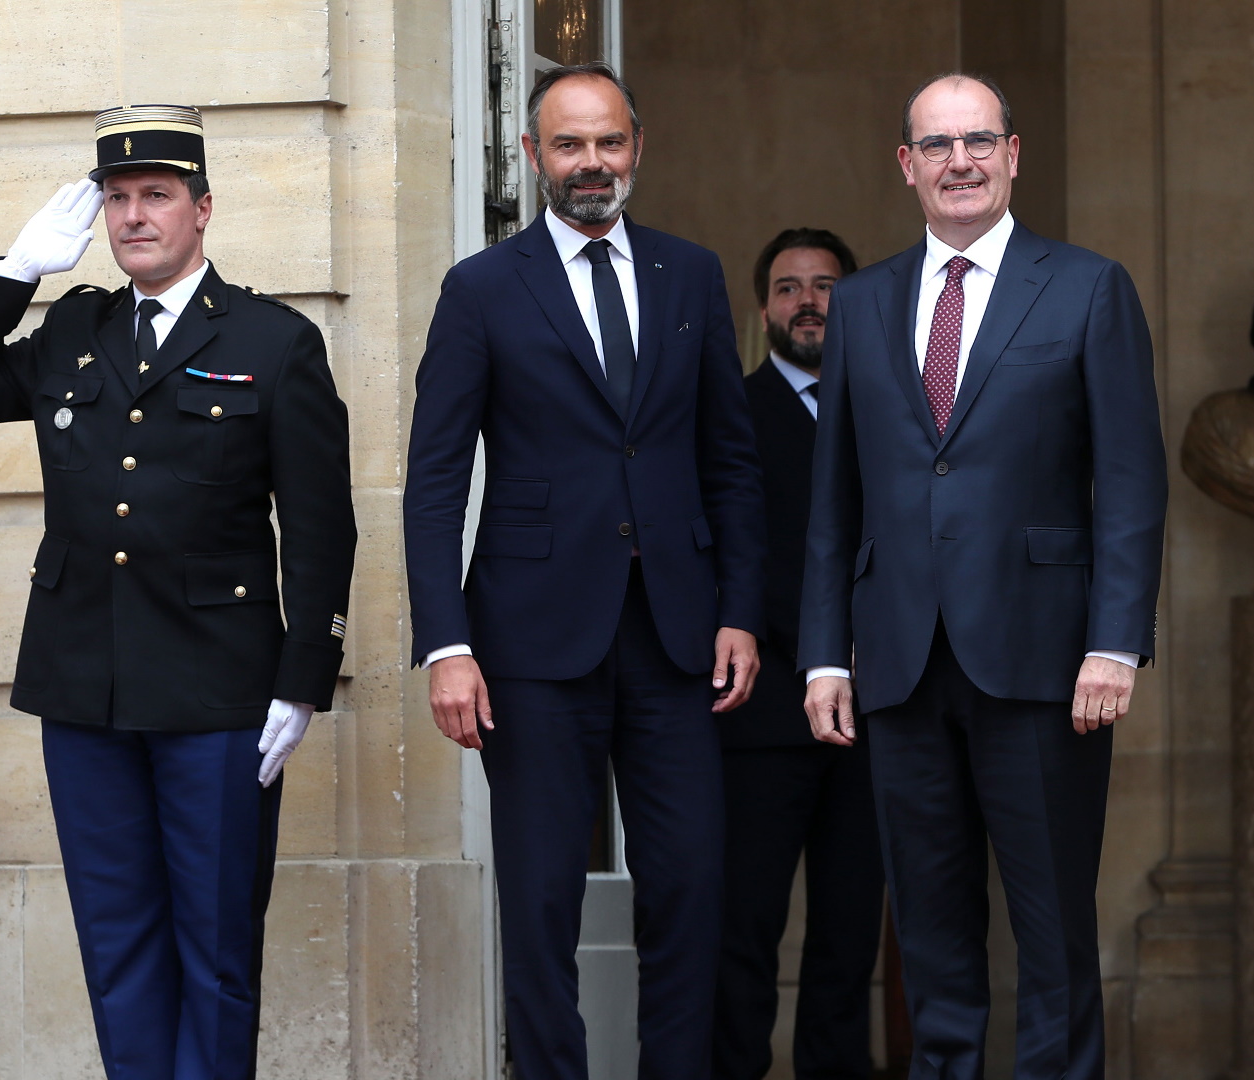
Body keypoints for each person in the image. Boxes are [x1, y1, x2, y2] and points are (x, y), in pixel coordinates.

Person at [0, 105, 356, 1079]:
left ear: (203, 208)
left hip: (218, 695)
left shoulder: (273, 341)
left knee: (216, 948)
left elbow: (321, 525)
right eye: (117, 199)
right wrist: (12, 273)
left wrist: (302, 678)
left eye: (156, 195)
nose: (134, 216)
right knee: (117, 950)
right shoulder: (75, 328)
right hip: (84, 688)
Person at [797, 73, 1167, 1079]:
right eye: (937, 144)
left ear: (1012, 155)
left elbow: (1131, 483)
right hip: (899, 665)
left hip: (1045, 662)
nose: (959, 161)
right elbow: (834, 496)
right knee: (930, 937)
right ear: (906, 165)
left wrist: (1114, 642)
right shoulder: (862, 302)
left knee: (1052, 934)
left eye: (978, 141)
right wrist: (824, 655)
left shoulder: (1088, 287)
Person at [403, 62, 764, 1079]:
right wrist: (447, 644)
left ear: (637, 148)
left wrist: (741, 609)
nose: (591, 162)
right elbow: (435, 482)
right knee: (542, 898)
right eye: (569, 144)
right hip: (528, 644)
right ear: (532, 156)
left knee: (689, 890)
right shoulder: (481, 289)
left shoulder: (691, 273)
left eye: (608, 141)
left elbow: (730, 463)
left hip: (678, 638)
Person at [714, 228, 886, 1080]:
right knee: (742, 930)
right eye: (788, 288)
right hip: (763, 715)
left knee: (851, 935)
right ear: (763, 309)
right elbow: (728, 554)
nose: (808, 302)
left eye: (825, 286)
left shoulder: (890, 413)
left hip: (876, 716)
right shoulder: (729, 413)